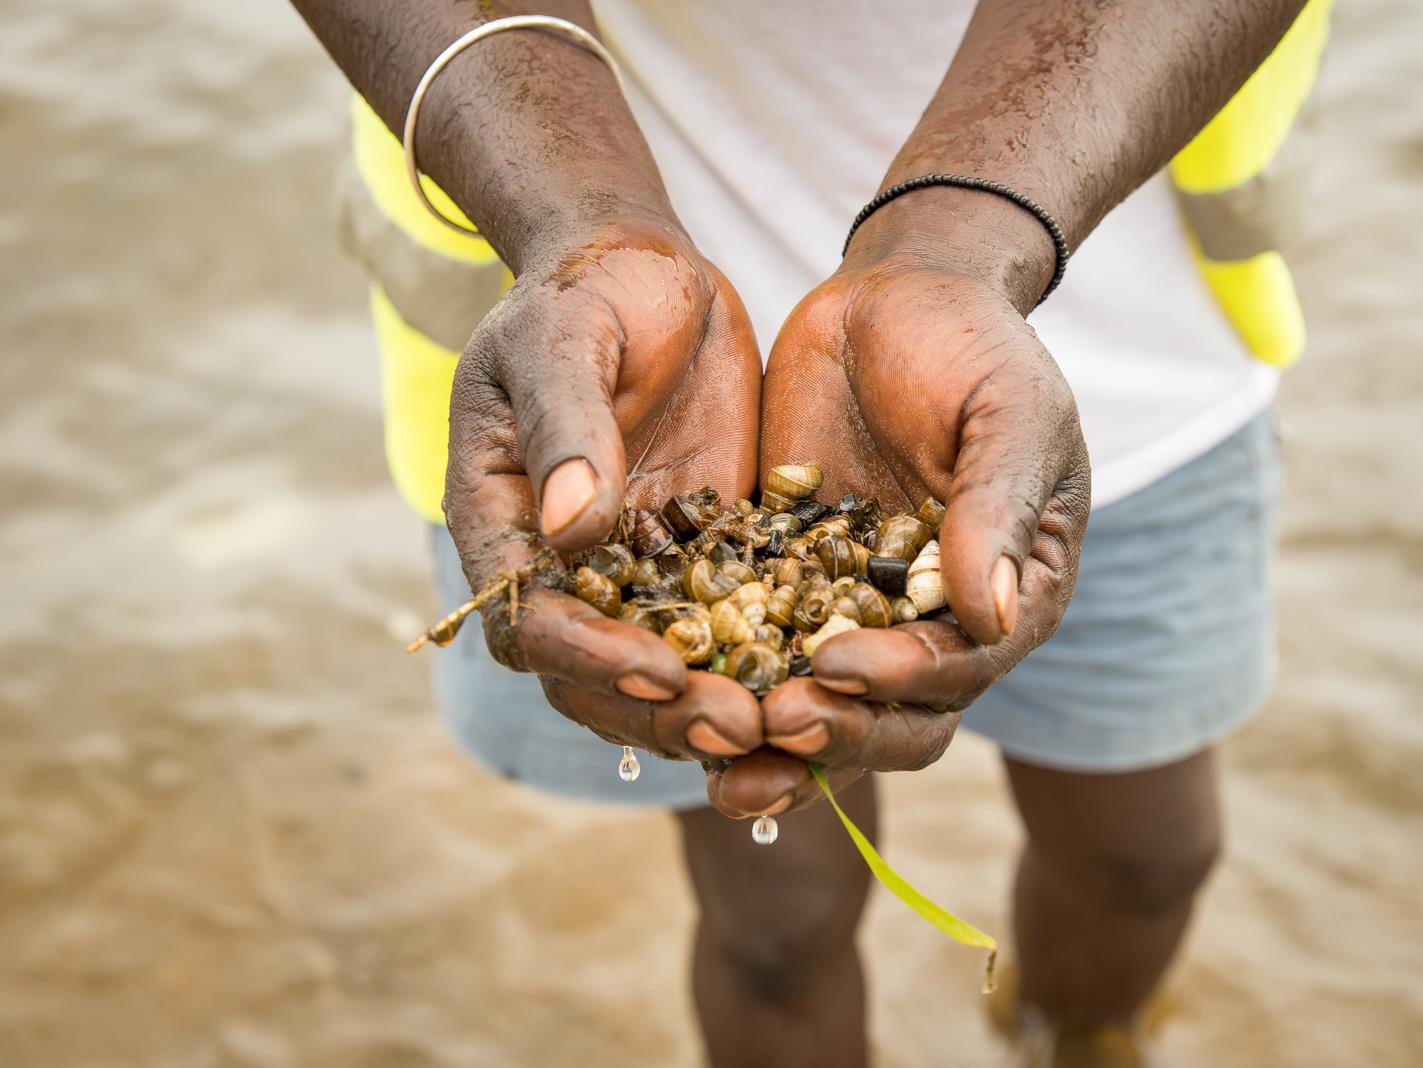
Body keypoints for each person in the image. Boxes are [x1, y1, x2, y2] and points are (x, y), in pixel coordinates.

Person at [291, 1, 1328, 1064]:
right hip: (614, 381)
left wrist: (957, 244)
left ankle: (1069, 1039)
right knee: (778, 919)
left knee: (1145, 858)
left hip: (1116, 320)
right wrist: (578, 220)